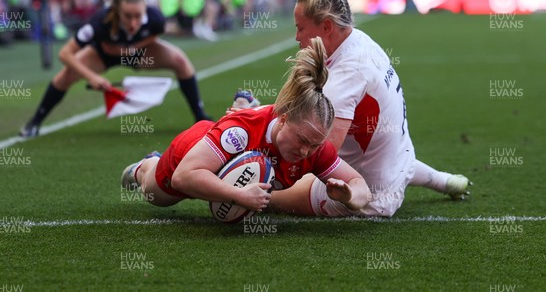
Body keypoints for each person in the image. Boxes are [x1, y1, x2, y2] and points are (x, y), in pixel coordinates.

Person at [270, 0, 472, 217]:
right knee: (391, 156)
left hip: (372, 194)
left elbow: (320, 154)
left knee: (266, 194)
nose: (297, 38)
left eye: (301, 28)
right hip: (399, 158)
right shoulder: (358, 40)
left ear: (326, 27)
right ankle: (442, 180)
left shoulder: (346, 75)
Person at [120, 37, 370, 214]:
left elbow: (361, 188)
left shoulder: (314, 146)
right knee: (155, 195)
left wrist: (349, 197)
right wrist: (237, 195)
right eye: (303, 140)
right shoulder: (240, 132)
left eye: (314, 145)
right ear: (283, 119)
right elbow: (183, 177)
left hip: (243, 138)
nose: (306, 151)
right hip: (191, 151)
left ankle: (248, 105)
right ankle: (147, 163)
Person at [19, 0, 211, 137]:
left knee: (180, 61)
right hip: (103, 54)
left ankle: (200, 117)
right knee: (66, 75)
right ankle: (34, 122)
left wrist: (132, 49)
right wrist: (92, 77)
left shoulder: (155, 19)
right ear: (117, 10)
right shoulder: (100, 22)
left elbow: (156, 33)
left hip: (137, 53)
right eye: (128, 16)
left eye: (138, 16)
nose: (134, 23)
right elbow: (65, 54)